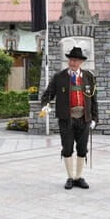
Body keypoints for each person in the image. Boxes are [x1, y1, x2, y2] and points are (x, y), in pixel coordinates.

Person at [41, 47, 98, 190]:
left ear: (81, 62)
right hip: (67, 119)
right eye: (71, 60)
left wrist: (94, 118)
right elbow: (47, 95)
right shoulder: (59, 77)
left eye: (76, 60)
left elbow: (94, 100)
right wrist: (45, 105)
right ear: (69, 60)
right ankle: (70, 177)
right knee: (67, 148)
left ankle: (78, 177)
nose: (73, 62)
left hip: (84, 118)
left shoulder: (88, 77)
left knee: (82, 148)